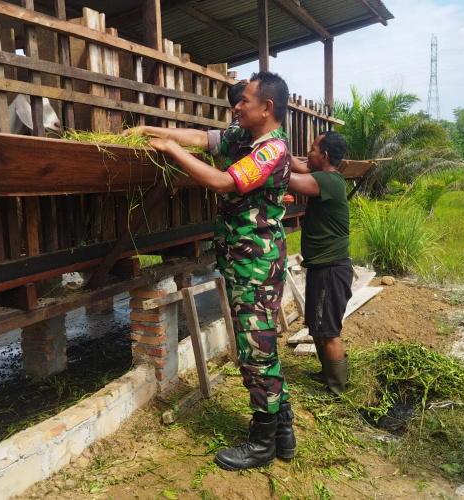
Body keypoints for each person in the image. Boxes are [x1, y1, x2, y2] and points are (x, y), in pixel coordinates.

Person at [125, 72, 295, 471]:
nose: (236, 106)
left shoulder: (271, 151)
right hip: (243, 261)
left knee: (256, 351)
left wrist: (169, 150)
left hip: (256, 266)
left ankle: (262, 442)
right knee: (261, 344)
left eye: (245, 100)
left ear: (266, 108)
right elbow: (203, 139)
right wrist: (149, 129)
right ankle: (283, 432)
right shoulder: (246, 138)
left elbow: (222, 182)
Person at [288, 131, 353, 396]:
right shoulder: (327, 178)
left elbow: (287, 179)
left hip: (330, 268)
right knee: (318, 325)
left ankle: (337, 389)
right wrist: (278, 146)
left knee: (329, 330)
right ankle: (327, 374)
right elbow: (296, 164)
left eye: (313, 149)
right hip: (322, 266)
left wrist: (262, 160)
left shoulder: (327, 180)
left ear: (324, 156)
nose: (308, 153)